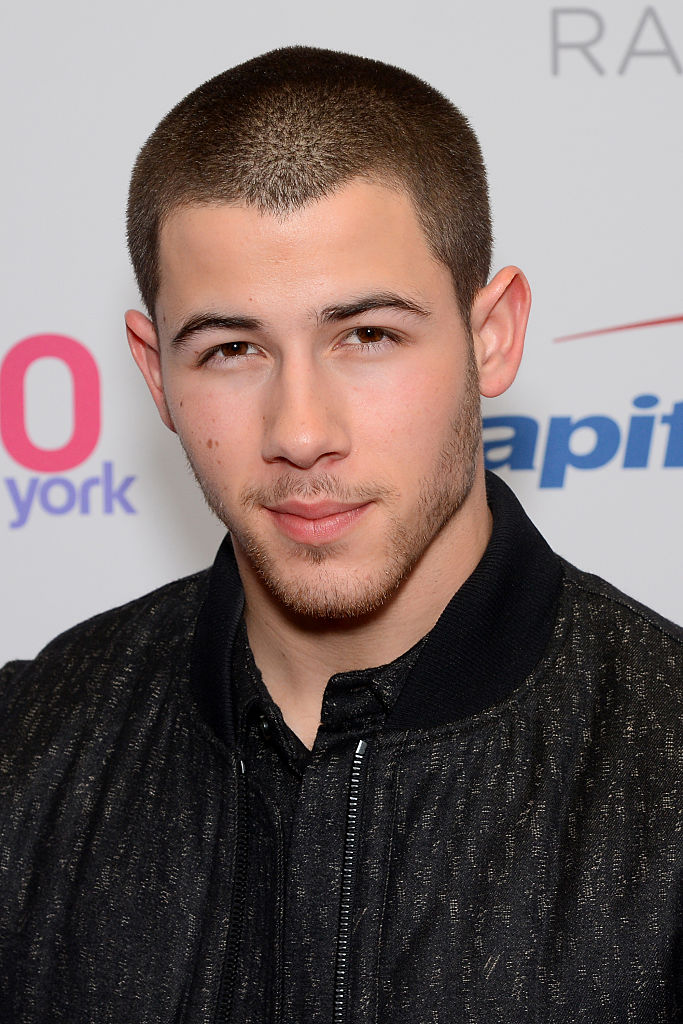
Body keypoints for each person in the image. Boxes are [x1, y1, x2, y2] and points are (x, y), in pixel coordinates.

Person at [1, 45, 682, 1024]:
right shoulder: (28, 756)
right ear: (155, 375)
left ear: (491, 334)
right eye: (231, 349)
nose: (300, 431)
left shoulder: (660, 759)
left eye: (366, 336)